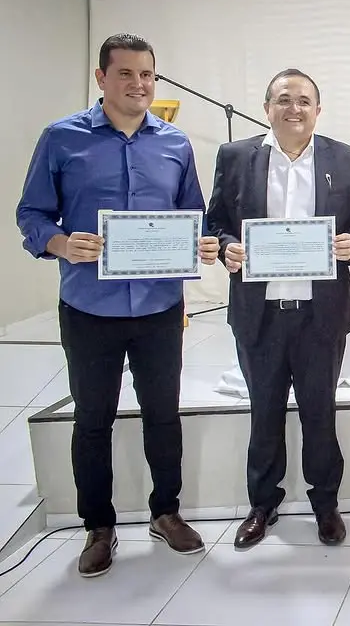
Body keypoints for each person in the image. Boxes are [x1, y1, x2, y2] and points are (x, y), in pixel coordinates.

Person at [14, 33, 220, 577]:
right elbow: (31, 215)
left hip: (158, 306)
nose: (139, 84)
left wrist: (200, 243)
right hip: (89, 307)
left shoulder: (174, 143)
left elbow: (192, 215)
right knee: (92, 420)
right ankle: (97, 527)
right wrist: (60, 243)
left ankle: (166, 512)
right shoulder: (62, 138)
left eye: (147, 74)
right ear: (101, 77)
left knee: (163, 415)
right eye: (126, 74)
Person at [205, 69, 350, 548]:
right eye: (283, 100)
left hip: (321, 313)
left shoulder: (345, 157)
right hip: (260, 311)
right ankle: (262, 504)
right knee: (265, 411)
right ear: (266, 108)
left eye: (303, 101)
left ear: (318, 110)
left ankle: (325, 503)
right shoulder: (236, 157)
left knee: (320, 411)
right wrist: (227, 244)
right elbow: (216, 220)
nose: (293, 109)